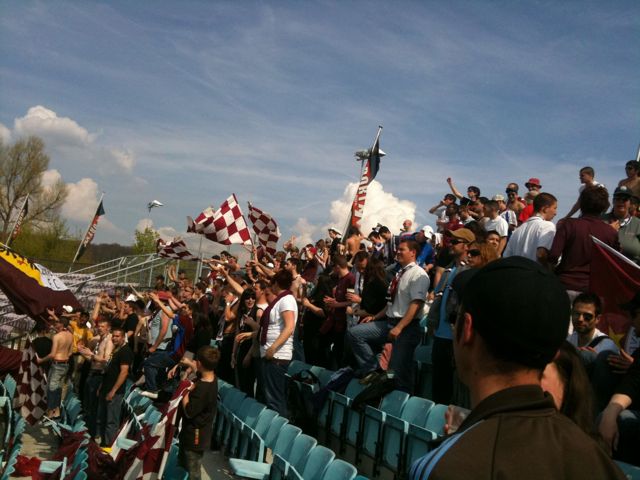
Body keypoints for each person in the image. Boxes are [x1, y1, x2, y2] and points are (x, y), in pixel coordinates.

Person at [410, 257, 625, 479]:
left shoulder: (442, 468)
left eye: (455, 319)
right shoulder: (600, 463)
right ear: (554, 353)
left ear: (466, 330)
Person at [348, 239, 430, 393]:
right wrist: (376, 317)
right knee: (355, 333)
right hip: (389, 323)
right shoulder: (399, 273)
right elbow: (390, 303)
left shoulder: (418, 274)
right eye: (398, 249)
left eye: (402, 249)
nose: (398, 251)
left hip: (406, 327)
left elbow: (416, 304)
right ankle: (374, 371)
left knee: (399, 371)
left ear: (413, 253)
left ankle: (401, 401)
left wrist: (399, 327)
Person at [549, 185, 619, 300]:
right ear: (604, 206)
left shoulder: (568, 225)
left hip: (566, 285)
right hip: (594, 290)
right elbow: (616, 262)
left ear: (582, 204)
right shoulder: (611, 232)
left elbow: (553, 256)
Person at [259, 270, 298, 416]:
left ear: (276, 283)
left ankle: (278, 427)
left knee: (274, 399)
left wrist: (273, 348)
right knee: (269, 397)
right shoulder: (281, 300)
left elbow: (289, 327)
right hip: (271, 354)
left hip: (277, 355)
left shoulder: (287, 300)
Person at [178, 346, 219, 480]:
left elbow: (189, 411)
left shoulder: (202, 389)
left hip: (195, 437)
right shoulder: (212, 378)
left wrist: (184, 392)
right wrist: (190, 364)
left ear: (200, 363)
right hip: (195, 433)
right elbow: (201, 374)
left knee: (193, 471)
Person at [78, 319, 113, 440]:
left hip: (99, 376)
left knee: (94, 405)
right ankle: (88, 429)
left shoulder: (109, 341)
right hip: (92, 373)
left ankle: (94, 433)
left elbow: (106, 360)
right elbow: (93, 360)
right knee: (88, 404)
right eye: (99, 326)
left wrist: (91, 354)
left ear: (108, 328)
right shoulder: (99, 340)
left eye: (103, 326)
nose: (100, 328)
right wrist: (83, 353)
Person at [97, 326, 133, 446]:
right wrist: (101, 387)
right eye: (113, 336)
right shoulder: (116, 350)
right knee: (103, 418)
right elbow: (109, 371)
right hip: (105, 389)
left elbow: (124, 372)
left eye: (117, 336)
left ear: (123, 337)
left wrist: (113, 391)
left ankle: (109, 446)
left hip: (115, 392)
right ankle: (103, 443)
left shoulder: (125, 351)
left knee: (111, 421)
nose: (114, 338)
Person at [503, 192, 557, 266]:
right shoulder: (547, 226)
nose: (555, 213)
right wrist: (549, 269)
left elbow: (506, 257)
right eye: (554, 208)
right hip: (535, 271)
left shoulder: (517, 231)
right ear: (545, 209)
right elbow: (541, 254)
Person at [37, 314, 73, 419]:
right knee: (58, 389)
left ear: (60, 324)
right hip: (65, 364)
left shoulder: (57, 337)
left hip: (57, 364)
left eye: (56, 323)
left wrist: (40, 360)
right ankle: (56, 412)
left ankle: (50, 414)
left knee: (51, 389)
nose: (54, 324)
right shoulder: (70, 335)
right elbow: (70, 352)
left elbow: (52, 354)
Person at [605, 185, 640, 265]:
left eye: (625, 199)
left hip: (630, 271)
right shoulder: (601, 220)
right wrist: (608, 231)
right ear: (613, 201)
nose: (621, 201)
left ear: (630, 203)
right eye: (618, 199)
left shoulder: (638, 224)